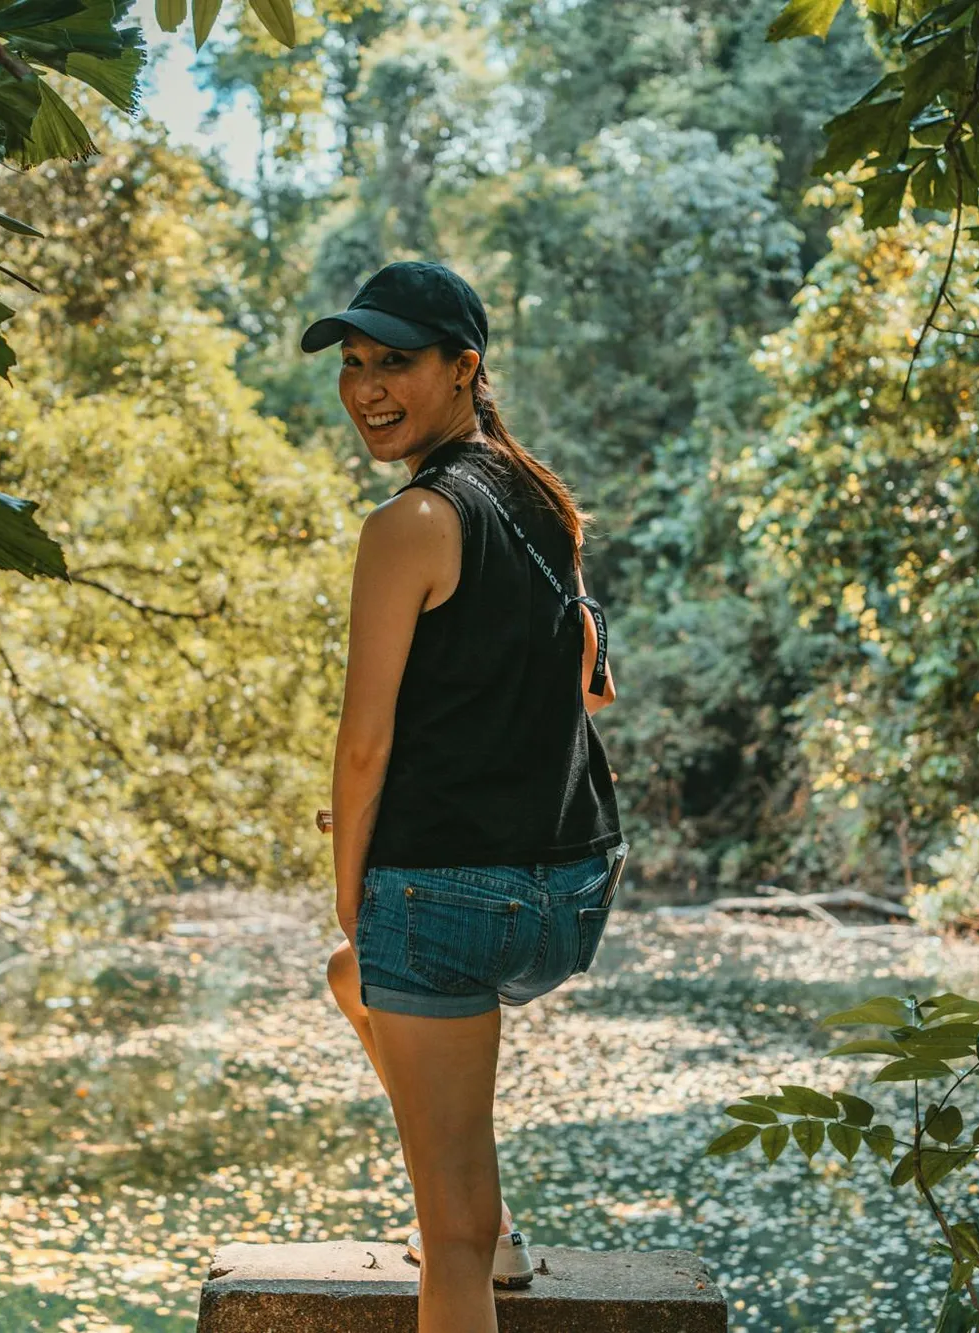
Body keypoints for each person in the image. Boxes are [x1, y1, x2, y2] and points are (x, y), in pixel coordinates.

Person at [302, 261, 627, 1333]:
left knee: (448, 1242)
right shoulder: (542, 501)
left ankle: (478, 1238)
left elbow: (362, 746)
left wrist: (354, 890)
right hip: (571, 894)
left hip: (448, 902)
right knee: (356, 979)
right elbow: (587, 685)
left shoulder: (408, 523)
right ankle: (498, 1230)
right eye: (353, 363)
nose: (366, 387)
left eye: (394, 361)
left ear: (461, 367)